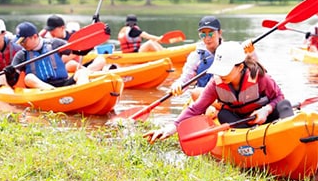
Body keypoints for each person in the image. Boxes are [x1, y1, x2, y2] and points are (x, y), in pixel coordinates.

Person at [144, 41, 293, 144]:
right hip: (240, 121)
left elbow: (279, 97)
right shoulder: (216, 83)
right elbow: (196, 109)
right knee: (223, 115)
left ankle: (289, 134)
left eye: (225, 70)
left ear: (240, 67)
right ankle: (250, 140)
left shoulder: (259, 76)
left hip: (262, 116)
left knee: (285, 105)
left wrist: (266, 110)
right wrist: (172, 127)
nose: (221, 74)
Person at [4, 21, 91, 90]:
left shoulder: (55, 44)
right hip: (40, 89)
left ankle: (83, 91)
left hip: (63, 83)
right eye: (20, 42)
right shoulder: (21, 55)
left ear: (34, 36)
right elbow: (13, 82)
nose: (22, 44)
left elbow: (80, 51)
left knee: (81, 72)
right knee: (28, 78)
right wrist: (9, 74)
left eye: (23, 41)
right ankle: (54, 92)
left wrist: (91, 40)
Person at [39, 14, 107, 72]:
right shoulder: (49, 41)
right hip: (65, 68)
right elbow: (62, 59)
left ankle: (88, 72)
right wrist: (78, 51)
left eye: (53, 30)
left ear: (62, 28)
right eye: (49, 30)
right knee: (71, 64)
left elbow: (91, 40)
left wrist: (97, 25)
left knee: (101, 59)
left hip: (79, 66)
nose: (51, 33)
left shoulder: (73, 35)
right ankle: (88, 72)